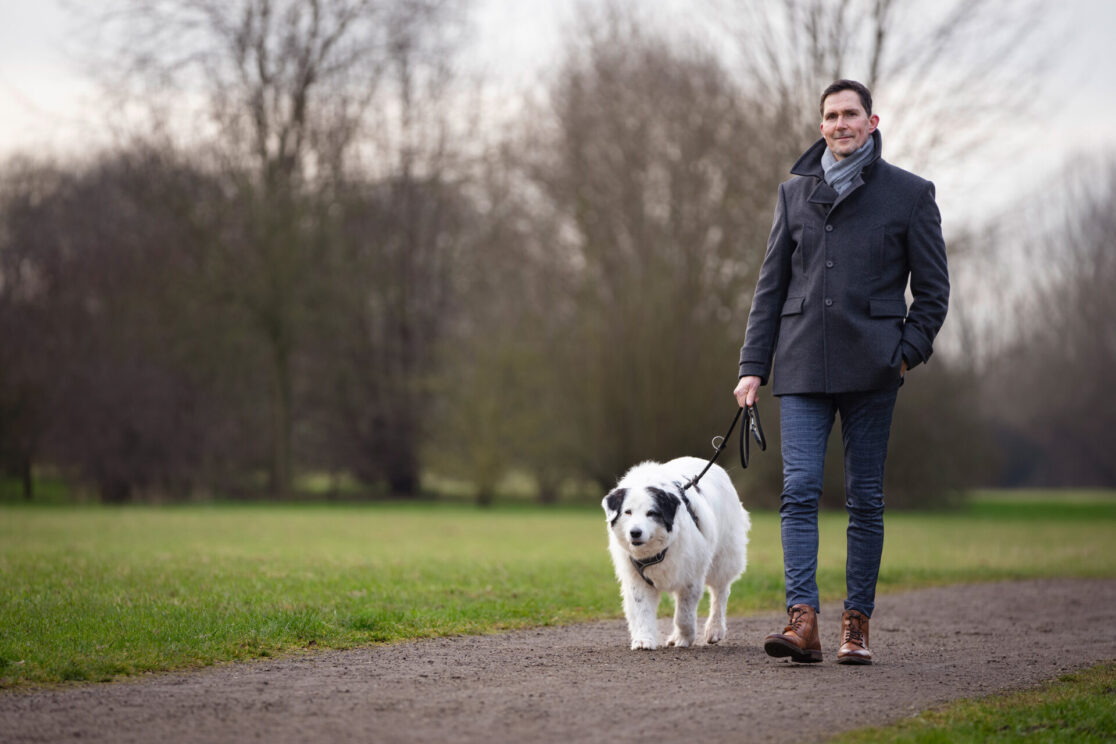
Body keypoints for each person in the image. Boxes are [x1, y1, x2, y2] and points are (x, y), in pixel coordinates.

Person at [733, 80, 949, 665]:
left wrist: (904, 352)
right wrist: (754, 367)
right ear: (821, 123)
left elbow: (932, 294)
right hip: (801, 364)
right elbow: (770, 287)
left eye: (850, 114)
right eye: (830, 116)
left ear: (872, 121)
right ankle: (803, 620)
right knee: (798, 492)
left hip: (875, 367)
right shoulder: (793, 193)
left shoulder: (910, 194)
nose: (840, 123)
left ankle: (857, 625)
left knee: (865, 500)